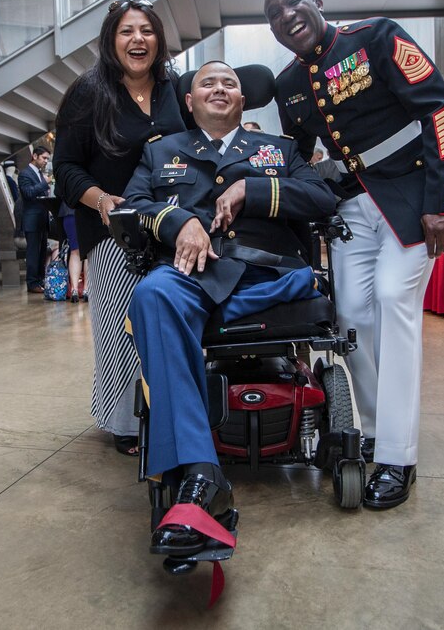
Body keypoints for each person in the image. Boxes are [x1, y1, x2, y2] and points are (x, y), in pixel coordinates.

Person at [264, 0, 444, 510]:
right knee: (351, 315)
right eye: (274, 13)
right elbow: (297, 157)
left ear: (318, 4)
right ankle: (377, 429)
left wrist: (443, 202)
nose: (287, 15)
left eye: (294, 2)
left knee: (392, 299)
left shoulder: (376, 36)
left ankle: (399, 458)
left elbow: (441, 109)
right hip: (352, 208)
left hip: (414, 197)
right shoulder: (290, 84)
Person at [123, 60, 336, 555]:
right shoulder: (161, 153)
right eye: (207, 83)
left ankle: (194, 468)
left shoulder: (279, 150)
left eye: (230, 83)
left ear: (243, 100)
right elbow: (131, 207)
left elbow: (323, 197)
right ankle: (201, 473)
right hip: (195, 273)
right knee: (153, 293)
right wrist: (178, 221)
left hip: (269, 272)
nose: (220, 88)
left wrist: (254, 189)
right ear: (190, 101)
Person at [54, 0, 187, 456]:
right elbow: (66, 167)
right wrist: (102, 201)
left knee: (166, 322)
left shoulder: (175, 90)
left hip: (168, 227)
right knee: (121, 326)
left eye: (147, 31)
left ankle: (169, 409)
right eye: (127, 31)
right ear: (112, 40)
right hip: (113, 230)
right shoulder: (88, 92)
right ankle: (126, 423)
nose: (138, 40)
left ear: (159, 40)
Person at [20, 146, 53, 294]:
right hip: (32, 220)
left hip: (42, 219)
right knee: (33, 252)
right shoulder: (25, 174)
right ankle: (32, 282)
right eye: (44, 158)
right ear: (34, 156)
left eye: (47, 159)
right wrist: (44, 184)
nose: (46, 161)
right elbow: (28, 193)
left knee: (42, 253)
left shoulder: (39, 174)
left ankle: (39, 280)